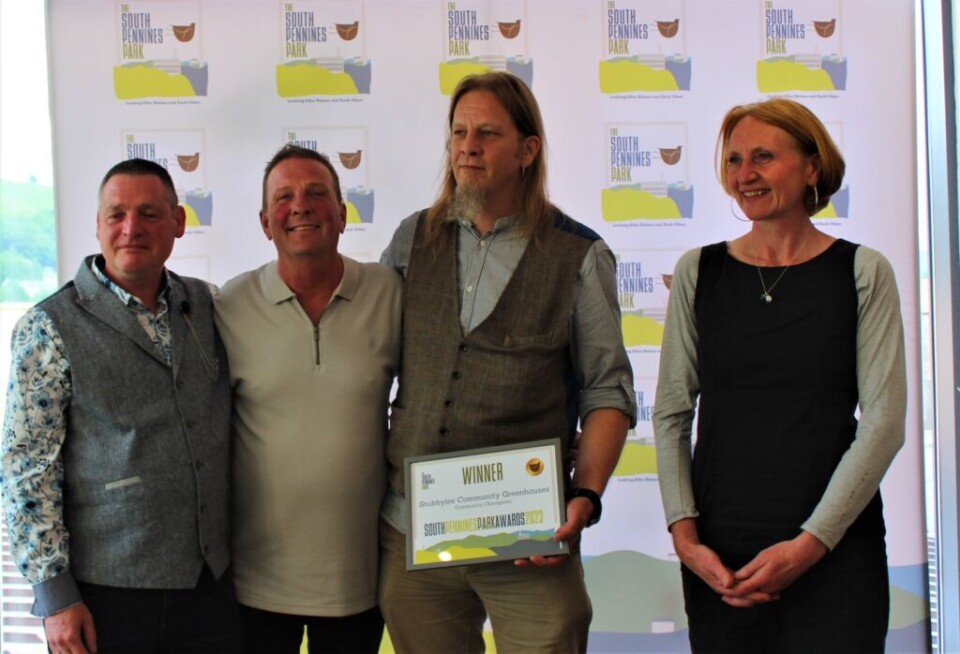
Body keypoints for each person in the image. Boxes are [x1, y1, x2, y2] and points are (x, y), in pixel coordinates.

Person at [378, 71, 636, 654]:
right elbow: (369, 364)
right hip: (411, 531)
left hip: (528, 539)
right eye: (459, 132)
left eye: (488, 133)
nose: (468, 146)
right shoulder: (410, 239)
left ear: (527, 150)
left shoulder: (580, 255)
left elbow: (608, 392)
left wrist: (585, 498)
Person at [653, 98, 906, 652]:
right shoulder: (700, 272)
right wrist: (685, 536)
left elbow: (884, 424)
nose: (745, 175)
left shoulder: (863, 272)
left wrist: (810, 545)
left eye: (763, 157)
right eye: (734, 160)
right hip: (723, 563)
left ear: (812, 168)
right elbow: (671, 413)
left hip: (838, 556)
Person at [1, 158, 240, 653]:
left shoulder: (209, 307)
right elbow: (26, 472)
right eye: (116, 215)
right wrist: (55, 597)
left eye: (150, 214)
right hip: (105, 598)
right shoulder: (48, 327)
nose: (131, 229)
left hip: (212, 589)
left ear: (178, 222)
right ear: (98, 225)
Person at [214, 145, 401, 654]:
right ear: (264, 221)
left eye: (317, 194)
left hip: (359, 582)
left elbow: (445, 389)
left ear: (343, 214)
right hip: (255, 584)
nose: (301, 206)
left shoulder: (390, 293)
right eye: (284, 196)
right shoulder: (228, 306)